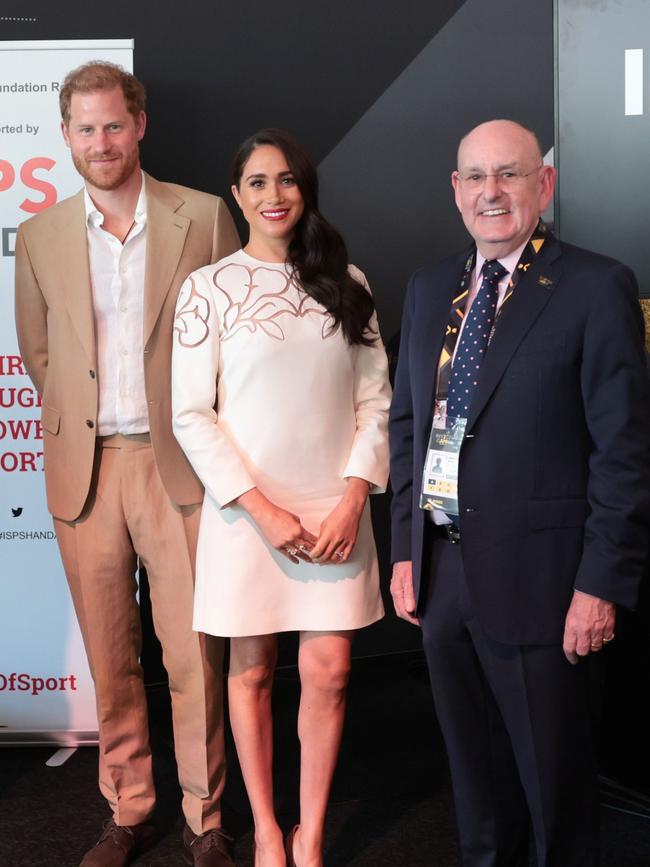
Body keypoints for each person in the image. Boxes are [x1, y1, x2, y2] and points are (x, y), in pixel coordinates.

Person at [389, 119, 650, 866]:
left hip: (545, 581)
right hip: (442, 572)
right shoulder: (431, 285)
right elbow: (409, 427)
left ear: (545, 183)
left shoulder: (596, 287)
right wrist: (407, 550)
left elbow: (624, 455)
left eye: (509, 174)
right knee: (475, 782)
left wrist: (601, 584)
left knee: (553, 790)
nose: (491, 192)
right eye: (475, 176)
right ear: (456, 190)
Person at [14, 62, 240, 867]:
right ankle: (129, 806)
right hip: (87, 471)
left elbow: (234, 344)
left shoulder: (206, 217)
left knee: (193, 656)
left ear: (138, 125)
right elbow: (40, 355)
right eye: (85, 129)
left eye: (114, 125)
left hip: (178, 468)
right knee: (112, 657)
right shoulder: (38, 236)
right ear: (67, 136)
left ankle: (206, 816)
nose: (100, 142)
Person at [171, 128, 391, 867]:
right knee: (253, 671)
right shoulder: (208, 289)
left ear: (306, 190)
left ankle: (312, 832)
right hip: (247, 517)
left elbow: (377, 401)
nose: (275, 195)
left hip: (334, 514)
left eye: (288, 180)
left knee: (329, 672)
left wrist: (355, 497)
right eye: (258, 182)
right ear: (236, 194)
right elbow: (189, 413)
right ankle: (266, 828)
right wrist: (260, 507)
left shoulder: (348, 281)